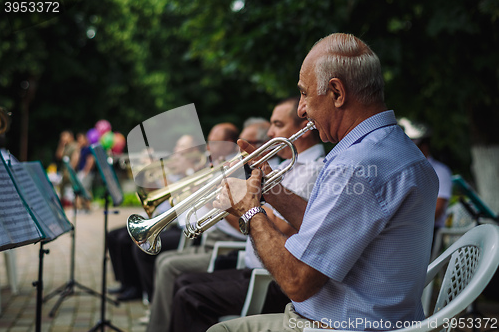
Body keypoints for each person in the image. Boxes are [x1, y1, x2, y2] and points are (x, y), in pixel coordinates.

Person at [209, 33, 439, 332]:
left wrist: (250, 210)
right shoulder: (397, 148)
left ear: (337, 92)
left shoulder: (356, 166)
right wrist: (269, 188)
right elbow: (332, 227)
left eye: (305, 94)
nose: (302, 109)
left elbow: (297, 281)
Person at [168, 97, 325, 332]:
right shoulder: (286, 166)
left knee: (188, 294)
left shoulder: (312, 171)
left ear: (303, 129)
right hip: (255, 265)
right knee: (183, 284)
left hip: (269, 277)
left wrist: (238, 205)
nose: (271, 132)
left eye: (278, 125)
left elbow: (279, 228)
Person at [144, 122, 247, 330]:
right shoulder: (215, 165)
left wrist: (212, 195)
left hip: (224, 242)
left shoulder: (237, 170)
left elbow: (237, 219)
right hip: (207, 236)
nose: (208, 145)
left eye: (214, 140)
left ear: (228, 144)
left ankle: (159, 326)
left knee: (167, 264)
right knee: (164, 260)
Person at [107, 134, 205, 302]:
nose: (175, 151)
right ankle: (130, 285)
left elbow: (176, 196)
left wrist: (160, 173)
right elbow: (154, 194)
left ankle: (149, 296)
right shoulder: (177, 168)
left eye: (180, 148)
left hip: (184, 225)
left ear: (193, 151)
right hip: (168, 219)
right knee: (116, 235)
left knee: (138, 244)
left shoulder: (196, 169)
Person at [398, 118, 453, 238]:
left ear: (424, 145)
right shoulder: (402, 169)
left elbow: (437, 211)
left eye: (412, 143)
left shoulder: (441, 171)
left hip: (428, 231)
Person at [72, 132, 96, 212]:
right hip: (81, 171)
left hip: (86, 172)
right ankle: (82, 207)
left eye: (80, 139)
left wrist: (86, 171)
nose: (79, 141)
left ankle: (87, 207)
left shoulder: (88, 149)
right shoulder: (81, 149)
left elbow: (91, 160)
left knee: (85, 189)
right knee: (82, 190)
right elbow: (76, 160)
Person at [55, 130, 79, 205]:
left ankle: (78, 204)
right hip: (64, 171)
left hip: (71, 171)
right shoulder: (65, 146)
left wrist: (71, 170)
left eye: (65, 136)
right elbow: (58, 156)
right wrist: (61, 145)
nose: (63, 139)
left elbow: (75, 158)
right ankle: (62, 203)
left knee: (75, 189)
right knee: (61, 188)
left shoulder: (75, 145)